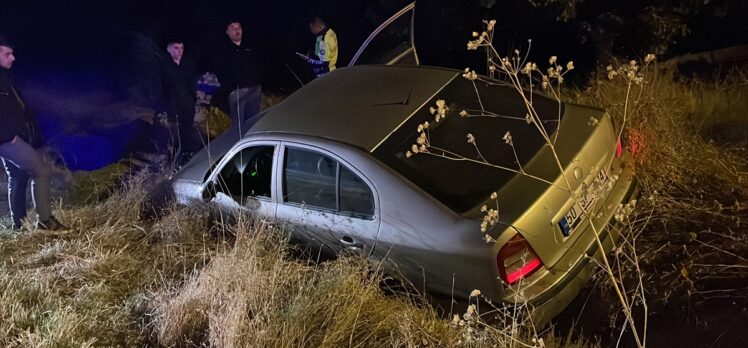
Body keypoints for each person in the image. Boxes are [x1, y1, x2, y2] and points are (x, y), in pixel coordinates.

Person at [0, 34, 67, 231]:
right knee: (41, 170)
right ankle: (45, 221)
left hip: (13, 137)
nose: (12, 57)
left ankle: (18, 224)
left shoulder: (5, 77)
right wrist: (9, 137)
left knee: (17, 176)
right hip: (7, 140)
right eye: (7, 53)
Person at [212, 20, 263, 137]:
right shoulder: (223, 50)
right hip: (237, 94)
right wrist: (231, 89)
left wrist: (259, 84)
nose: (237, 30)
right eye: (233, 27)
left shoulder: (250, 46)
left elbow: (260, 64)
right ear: (227, 32)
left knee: (253, 123)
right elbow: (220, 72)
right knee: (238, 127)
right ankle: (238, 149)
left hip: (254, 91)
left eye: (238, 27)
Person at [160, 39, 202, 165]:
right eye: (176, 48)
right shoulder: (164, 66)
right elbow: (162, 87)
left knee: (187, 133)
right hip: (173, 108)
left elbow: (192, 84)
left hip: (187, 106)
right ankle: (173, 162)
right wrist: (164, 106)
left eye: (182, 48)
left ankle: (186, 159)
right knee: (174, 137)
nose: (180, 51)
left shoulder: (187, 64)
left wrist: (193, 100)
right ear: (169, 49)